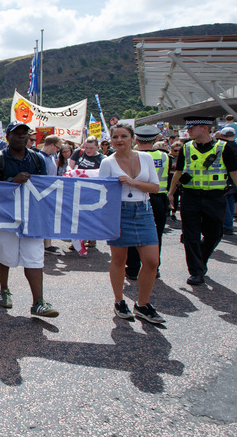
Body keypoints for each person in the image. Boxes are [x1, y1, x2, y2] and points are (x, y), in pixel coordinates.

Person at [0, 121, 58, 318]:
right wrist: (10, 181)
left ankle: (38, 302)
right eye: (18, 134)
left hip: (31, 216)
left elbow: (45, 186)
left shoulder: (37, 159)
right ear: (8, 137)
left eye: (25, 134)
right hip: (5, 217)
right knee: (4, 255)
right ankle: (4, 289)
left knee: (34, 256)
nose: (23, 137)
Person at [99, 124, 165, 324]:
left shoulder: (145, 158)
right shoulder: (108, 162)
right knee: (119, 260)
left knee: (152, 261)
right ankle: (119, 301)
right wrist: (110, 221)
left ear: (132, 138)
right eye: (115, 137)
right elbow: (103, 195)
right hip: (119, 212)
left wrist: (131, 182)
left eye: (124, 136)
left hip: (143, 210)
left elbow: (155, 187)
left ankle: (142, 304)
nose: (119, 140)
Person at [168, 116, 237, 285]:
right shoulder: (186, 147)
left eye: (192, 128)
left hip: (215, 197)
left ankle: (201, 259)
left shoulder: (226, 148)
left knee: (215, 233)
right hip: (190, 196)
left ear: (205, 128)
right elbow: (179, 172)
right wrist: (171, 193)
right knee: (190, 235)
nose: (188, 130)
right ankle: (196, 271)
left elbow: (234, 173)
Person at [125, 126, 170, 280]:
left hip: (136, 197)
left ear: (136, 139)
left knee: (131, 234)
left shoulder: (131, 156)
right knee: (156, 235)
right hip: (158, 197)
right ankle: (154, 267)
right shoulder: (164, 156)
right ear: (156, 139)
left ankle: (132, 268)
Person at [36, 135, 64, 256]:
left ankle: (47, 243)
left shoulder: (52, 157)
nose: (58, 150)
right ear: (51, 145)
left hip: (50, 192)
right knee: (44, 218)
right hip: (43, 193)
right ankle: (45, 244)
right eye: (57, 147)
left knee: (48, 218)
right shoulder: (40, 157)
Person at [218, 126, 237, 235]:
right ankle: (228, 224)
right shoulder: (235, 145)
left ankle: (227, 225)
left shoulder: (222, 147)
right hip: (234, 179)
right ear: (233, 135)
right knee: (230, 201)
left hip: (224, 178)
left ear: (222, 135)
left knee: (224, 202)